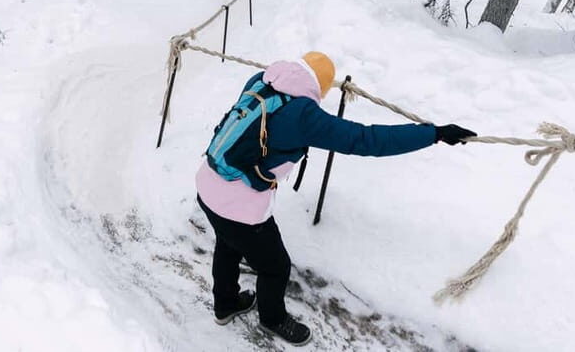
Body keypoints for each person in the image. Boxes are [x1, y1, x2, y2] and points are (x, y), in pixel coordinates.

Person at [195, 52, 476, 346]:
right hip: (240, 207)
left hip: (208, 183)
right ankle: (272, 318)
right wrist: (434, 134)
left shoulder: (262, 79)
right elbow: (365, 139)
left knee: (227, 244)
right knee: (275, 266)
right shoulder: (303, 114)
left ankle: (225, 305)